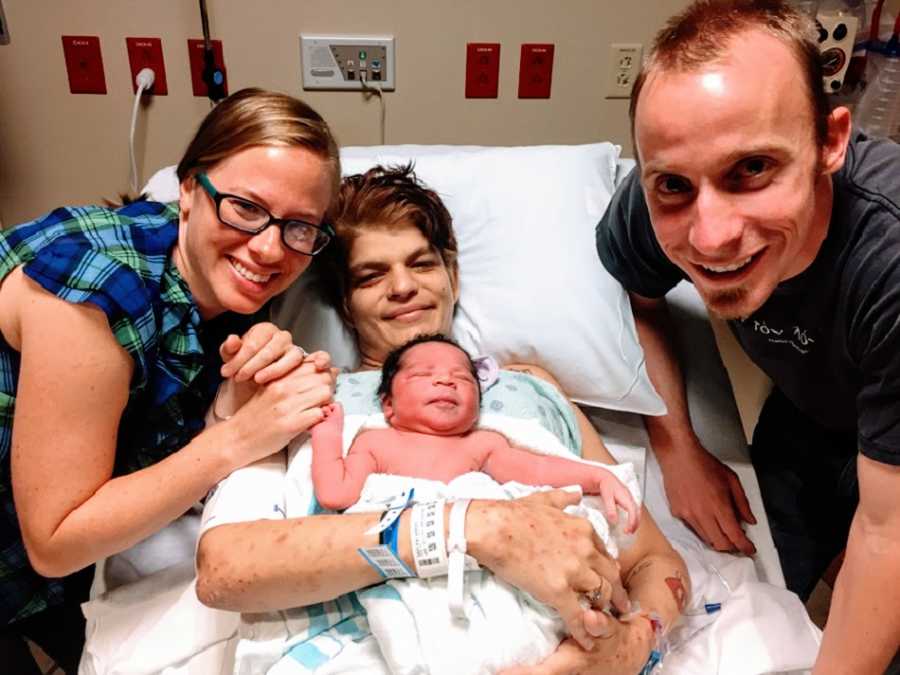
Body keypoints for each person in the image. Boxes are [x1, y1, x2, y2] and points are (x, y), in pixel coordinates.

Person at [197, 164, 690, 675]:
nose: (403, 287)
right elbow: (226, 569)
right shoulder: (310, 392)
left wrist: (631, 648)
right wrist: (470, 528)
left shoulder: (532, 388)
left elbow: (654, 561)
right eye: (371, 275)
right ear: (346, 303)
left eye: (421, 264)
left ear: (452, 275)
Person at [595, 1, 900, 672]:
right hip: (811, 410)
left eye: (753, 169)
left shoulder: (889, 259)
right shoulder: (659, 198)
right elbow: (638, 298)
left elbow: (887, 532)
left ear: (831, 142)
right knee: (762, 603)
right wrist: (677, 447)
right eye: (674, 185)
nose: (710, 236)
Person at [0, 88, 339, 674]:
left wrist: (232, 401)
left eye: (300, 226)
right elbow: (55, 542)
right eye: (244, 207)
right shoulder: (97, 289)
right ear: (188, 189)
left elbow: (159, 439)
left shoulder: (225, 286)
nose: (268, 248)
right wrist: (236, 439)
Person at [312, 333, 639, 535]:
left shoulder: (482, 445)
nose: (446, 381)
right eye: (424, 374)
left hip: (481, 553)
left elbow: (539, 471)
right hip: (404, 553)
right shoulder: (374, 442)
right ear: (388, 405)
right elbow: (335, 493)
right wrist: (328, 433)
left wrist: (597, 477)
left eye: (462, 378)